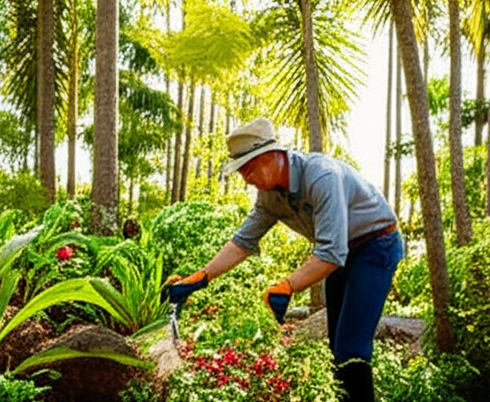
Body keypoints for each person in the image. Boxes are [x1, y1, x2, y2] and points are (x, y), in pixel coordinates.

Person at [167, 117, 403, 401]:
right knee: (336, 347)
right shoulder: (269, 197)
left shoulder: (321, 176)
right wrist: (202, 276)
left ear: (273, 156)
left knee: (352, 349)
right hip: (343, 254)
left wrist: (287, 285)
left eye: (249, 167)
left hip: (376, 244)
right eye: (241, 171)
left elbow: (330, 253)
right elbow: (243, 242)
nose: (245, 177)